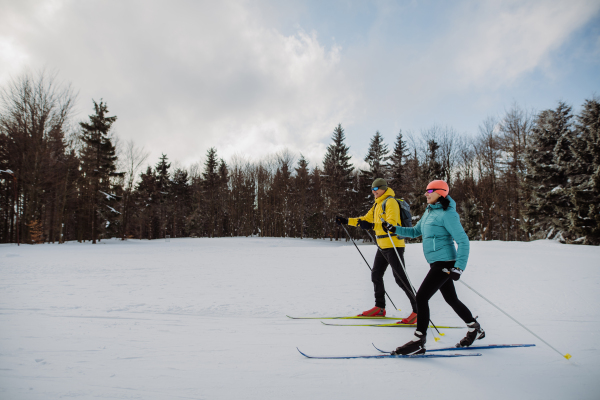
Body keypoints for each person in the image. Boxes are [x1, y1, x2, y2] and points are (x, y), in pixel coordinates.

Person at [382, 179, 485, 355]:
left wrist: (458, 267)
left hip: (445, 263)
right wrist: (394, 229)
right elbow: (415, 231)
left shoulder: (448, 214)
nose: (426, 194)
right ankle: (474, 327)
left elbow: (463, 241)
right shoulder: (429, 212)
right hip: (436, 262)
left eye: (429, 191)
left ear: (440, 193)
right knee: (451, 299)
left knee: (421, 297)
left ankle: (419, 339)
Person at [335, 178, 417, 323]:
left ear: (383, 188)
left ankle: (418, 311)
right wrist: (346, 221)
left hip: (393, 245)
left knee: (401, 279)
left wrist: (372, 226)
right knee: (376, 275)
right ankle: (379, 308)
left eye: (376, 189)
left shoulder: (390, 202)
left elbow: (391, 223)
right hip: (383, 246)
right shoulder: (377, 204)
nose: (373, 192)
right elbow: (364, 220)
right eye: (372, 189)